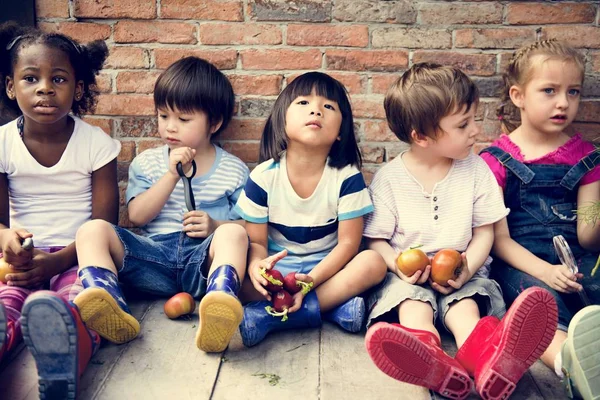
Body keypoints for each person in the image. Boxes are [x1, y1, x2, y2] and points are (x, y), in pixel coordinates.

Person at [363, 63, 558, 400]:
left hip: (462, 272)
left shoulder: (476, 170)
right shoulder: (390, 179)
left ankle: (488, 362)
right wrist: (397, 265)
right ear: (421, 137)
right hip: (408, 278)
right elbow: (376, 239)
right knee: (414, 307)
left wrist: (468, 266)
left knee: (465, 307)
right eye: (463, 124)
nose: (474, 132)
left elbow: (486, 232)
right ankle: (432, 361)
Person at [74, 56, 249, 353]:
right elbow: (137, 215)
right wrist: (170, 175)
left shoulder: (233, 169)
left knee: (234, 235)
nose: (170, 127)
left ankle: (220, 301)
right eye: (163, 116)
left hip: (201, 263)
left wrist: (216, 226)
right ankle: (107, 300)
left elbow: (249, 227)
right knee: (92, 231)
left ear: (214, 123)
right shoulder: (149, 163)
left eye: (183, 119)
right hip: (151, 259)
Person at [0, 22, 119, 398]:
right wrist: (7, 239)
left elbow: (104, 224)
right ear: (10, 86)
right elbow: (0, 224)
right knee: (7, 300)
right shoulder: (2, 144)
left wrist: (58, 261)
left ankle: (63, 361)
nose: (45, 88)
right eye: (31, 78)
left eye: (60, 79)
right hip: (20, 259)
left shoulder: (95, 144)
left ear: (78, 89)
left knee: (82, 305)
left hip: (79, 255)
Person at [480, 40, 600, 400]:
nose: (563, 102)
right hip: (522, 262)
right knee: (533, 307)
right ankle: (571, 364)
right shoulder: (495, 160)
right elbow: (499, 241)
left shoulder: (589, 159)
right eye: (549, 91)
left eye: (573, 92)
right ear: (518, 96)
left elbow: (589, 233)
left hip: (579, 260)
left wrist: (595, 219)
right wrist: (546, 272)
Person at [235, 72, 387, 347]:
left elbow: (349, 245)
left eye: (329, 107)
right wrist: (258, 267)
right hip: (281, 269)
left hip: (328, 268)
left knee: (373, 263)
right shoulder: (263, 177)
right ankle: (331, 307)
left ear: (341, 131)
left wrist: (310, 283)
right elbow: (256, 241)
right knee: (234, 274)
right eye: (303, 103)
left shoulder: (346, 176)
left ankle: (276, 315)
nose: (316, 109)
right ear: (282, 119)